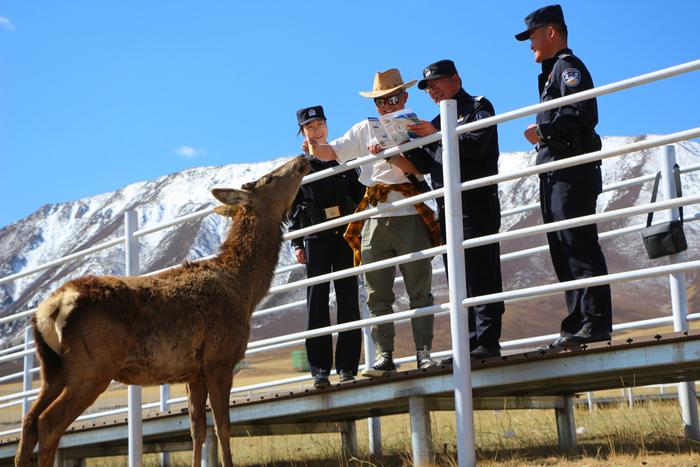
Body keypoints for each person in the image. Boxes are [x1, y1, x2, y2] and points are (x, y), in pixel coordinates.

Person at [306, 69, 441, 376]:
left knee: (419, 288)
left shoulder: (421, 127)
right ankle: (384, 355)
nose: (386, 106)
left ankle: (423, 353)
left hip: (410, 210)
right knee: (376, 291)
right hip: (376, 214)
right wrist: (313, 143)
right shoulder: (363, 129)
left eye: (392, 98)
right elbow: (332, 152)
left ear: (404, 97)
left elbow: (424, 169)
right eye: (380, 101)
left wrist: (390, 157)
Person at [516, 4, 612, 350]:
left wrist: (543, 131)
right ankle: (578, 324)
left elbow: (581, 111)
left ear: (551, 32)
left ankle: (594, 323)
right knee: (563, 247)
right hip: (557, 171)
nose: (530, 45)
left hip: (572, 169)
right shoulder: (552, 72)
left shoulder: (567, 68)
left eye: (533, 36)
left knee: (578, 244)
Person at [404, 59, 505, 360]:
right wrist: (401, 145)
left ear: (456, 80)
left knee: (482, 270)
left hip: (476, 202)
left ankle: (487, 342)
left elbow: (476, 145)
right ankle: (468, 342)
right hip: (446, 207)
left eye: (437, 83)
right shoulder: (434, 123)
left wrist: (434, 137)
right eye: (428, 88)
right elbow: (427, 165)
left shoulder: (478, 106)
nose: (433, 90)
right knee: (458, 276)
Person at [289, 106, 365, 389]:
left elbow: (361, 195)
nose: (316, 130)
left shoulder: (343, 156)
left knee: (348, 300)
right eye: (310, 127)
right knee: (316, 304)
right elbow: (293, 208)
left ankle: (347, 367)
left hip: (345, 236)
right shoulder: (299, 165)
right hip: (316, 239)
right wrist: (297, 242)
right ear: (302, 132)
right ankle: (320, 370)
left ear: (327, 126)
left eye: (320, 124)